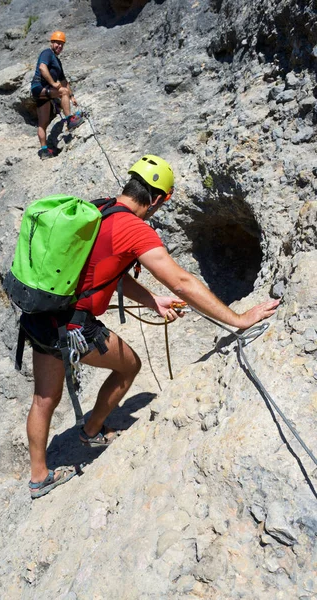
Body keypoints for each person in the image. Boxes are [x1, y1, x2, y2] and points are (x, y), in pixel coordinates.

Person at [21, 155, 279, 498]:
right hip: (73, 327)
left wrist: (152, 301)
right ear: (157, 198)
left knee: (43, 398)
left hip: (40, 316)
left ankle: (39, 476)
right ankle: (93, 430)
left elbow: (107, 272)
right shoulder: (134, 228)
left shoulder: (101, 209)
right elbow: (182, 281)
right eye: (163, 203)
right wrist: (238, 319)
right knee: (129, 366)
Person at [31, 30, 84, 160]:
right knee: (62, 91)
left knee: (43, 123)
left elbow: (65, 81)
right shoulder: (47, 53)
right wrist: (54, 84)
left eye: (62, 44)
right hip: (39, 87)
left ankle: (44, 151)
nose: (59, 46)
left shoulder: (57, 62)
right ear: (52, 42)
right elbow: (42, 68)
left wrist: (71, 96)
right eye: (57, 43)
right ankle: (70, 120)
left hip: (42, 91)